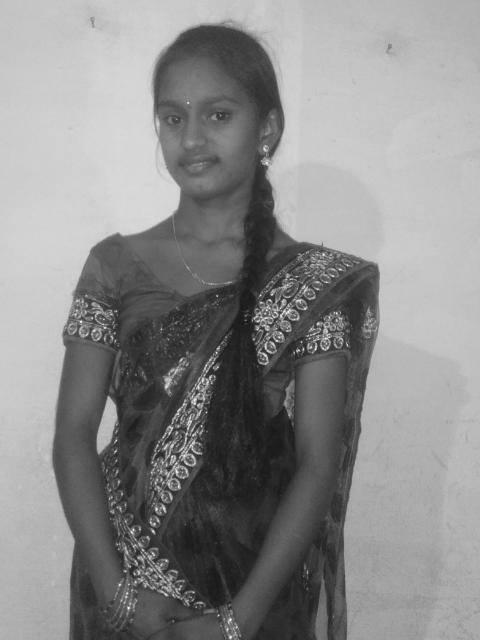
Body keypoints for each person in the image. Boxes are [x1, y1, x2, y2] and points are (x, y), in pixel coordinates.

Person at [54, 23, 379, 640]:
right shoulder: (114, 266)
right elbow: (72, 433)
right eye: (173, 118)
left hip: (255, 587)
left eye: (219, 114)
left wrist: (237, 622)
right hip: (124, 578)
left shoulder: (311, 285)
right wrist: (117, 595)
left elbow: (317, 462)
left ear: (267, 129)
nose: (192, 138)